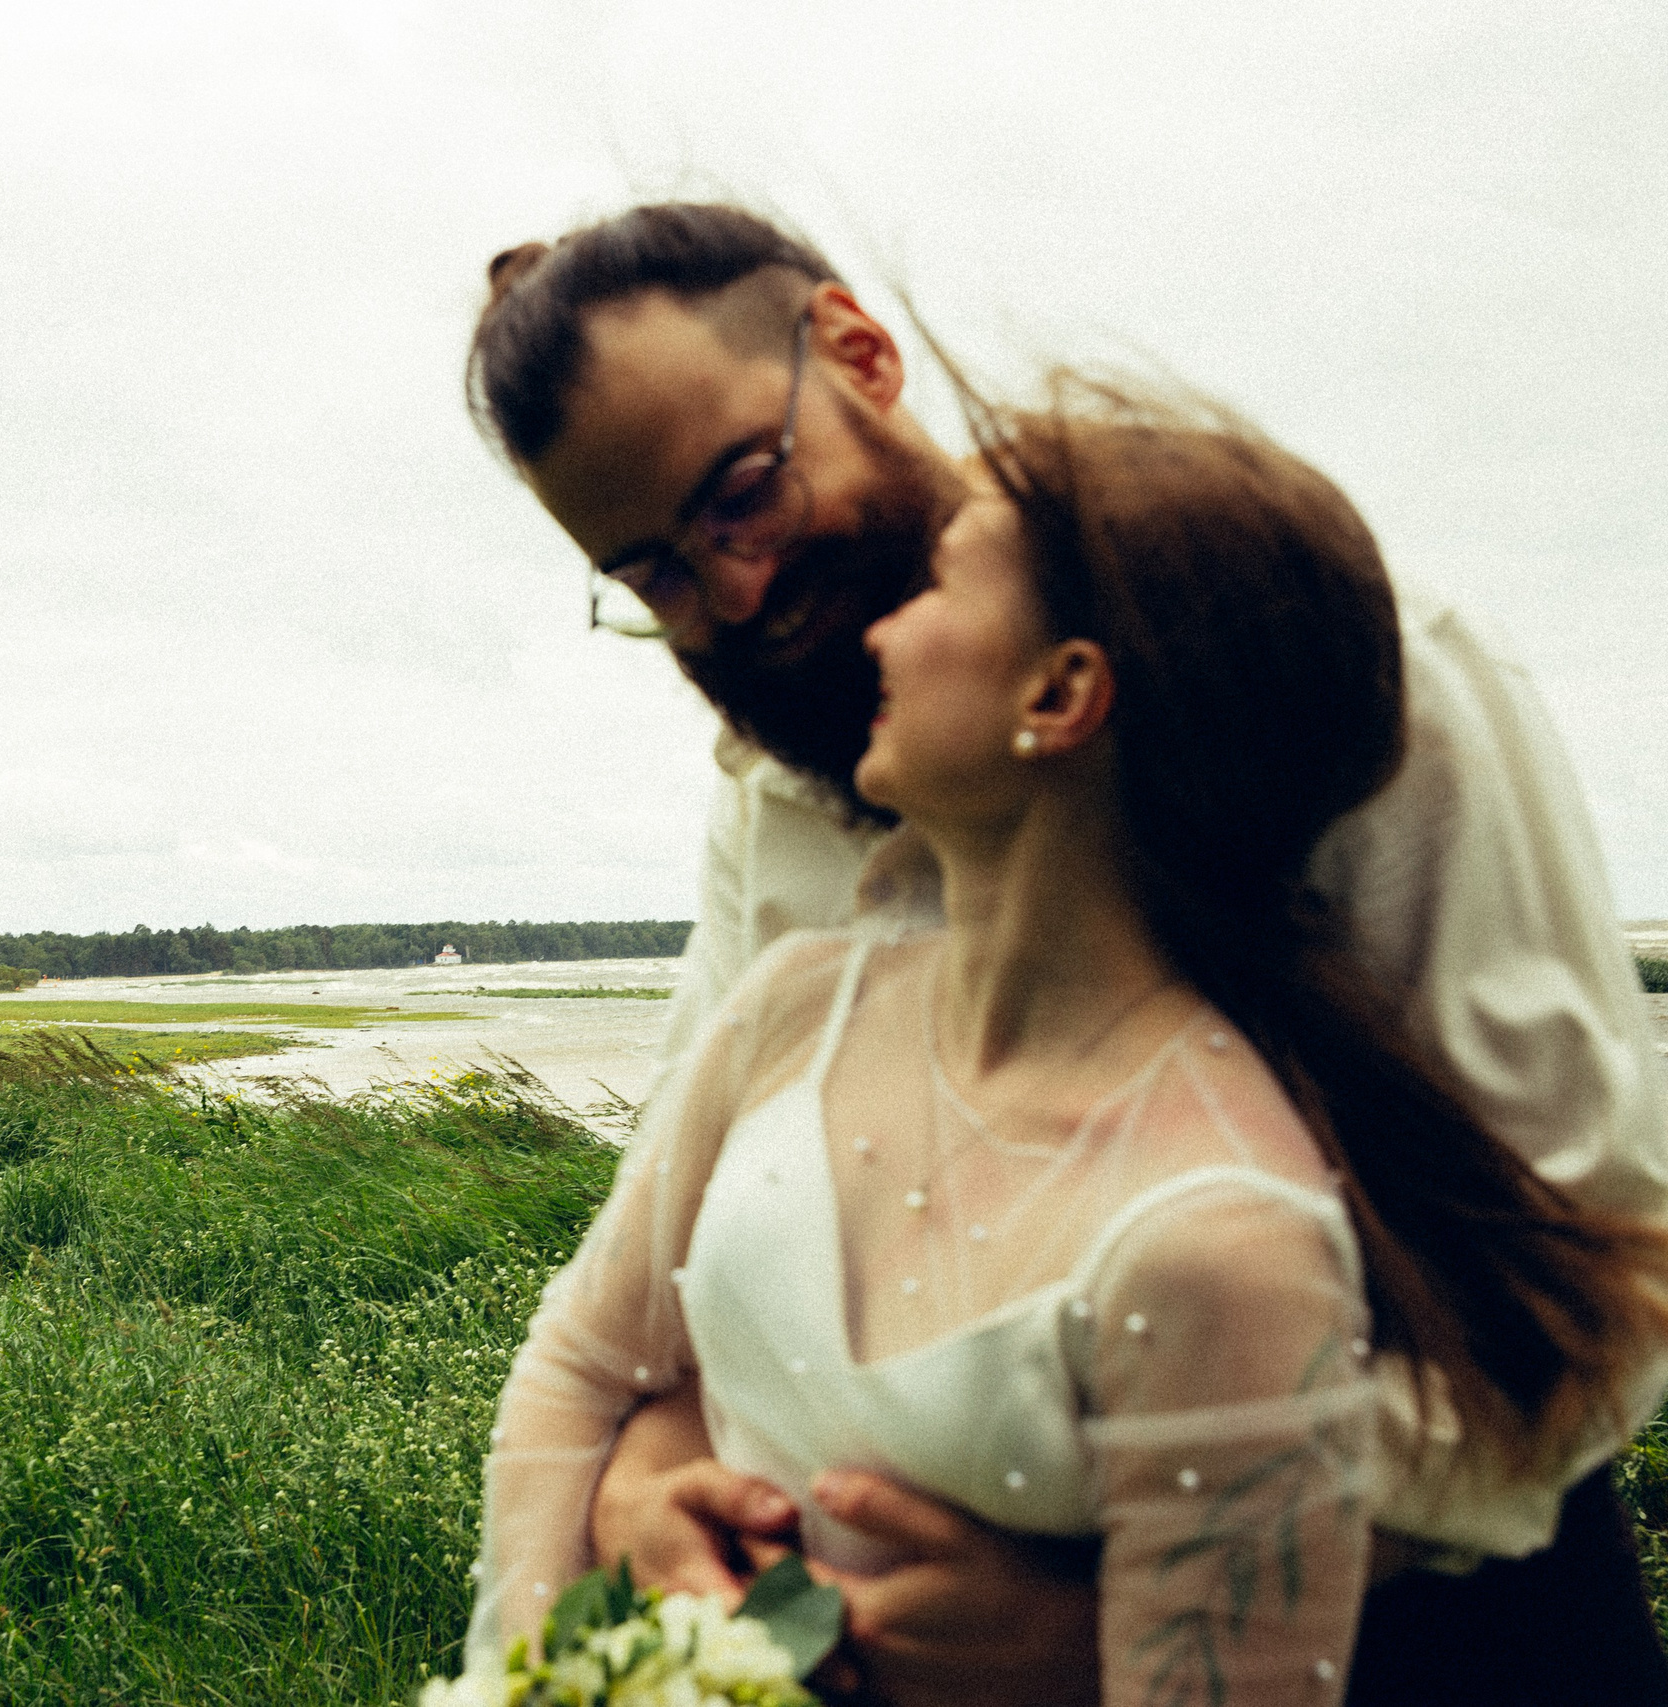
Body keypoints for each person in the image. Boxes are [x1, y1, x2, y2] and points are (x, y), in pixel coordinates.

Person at [462, 204, 1668, 1704]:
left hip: (1440, 1647)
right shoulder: (768, 801)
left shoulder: (1369, 676)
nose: (739, 597)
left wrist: (1151, 1582)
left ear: (856, 353)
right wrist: (649, 1476)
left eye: (743, 495)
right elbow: (681, 1260)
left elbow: (1605, 1306)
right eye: (654, 576)